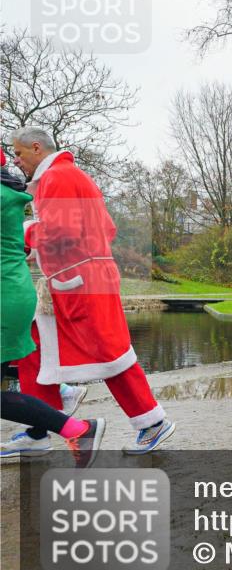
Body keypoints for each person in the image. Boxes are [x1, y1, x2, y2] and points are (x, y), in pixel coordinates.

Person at [4, 127, 174, 455]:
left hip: (79, 281)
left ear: (36, 148)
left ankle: (151, 421)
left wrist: (27, 234)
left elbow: (61, 231)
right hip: (81, 276)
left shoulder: (57, 178)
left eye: (19, 154)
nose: (16, 160)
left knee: (110, 354)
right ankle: (43, 422)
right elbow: (106, 228)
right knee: (33, 341)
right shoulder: (70, 176)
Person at [1, 146, 105, 467]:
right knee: (19, 368)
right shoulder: (8, 193)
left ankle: (75, 428)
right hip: (12, 293)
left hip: (5, 297)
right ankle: (64, 414)